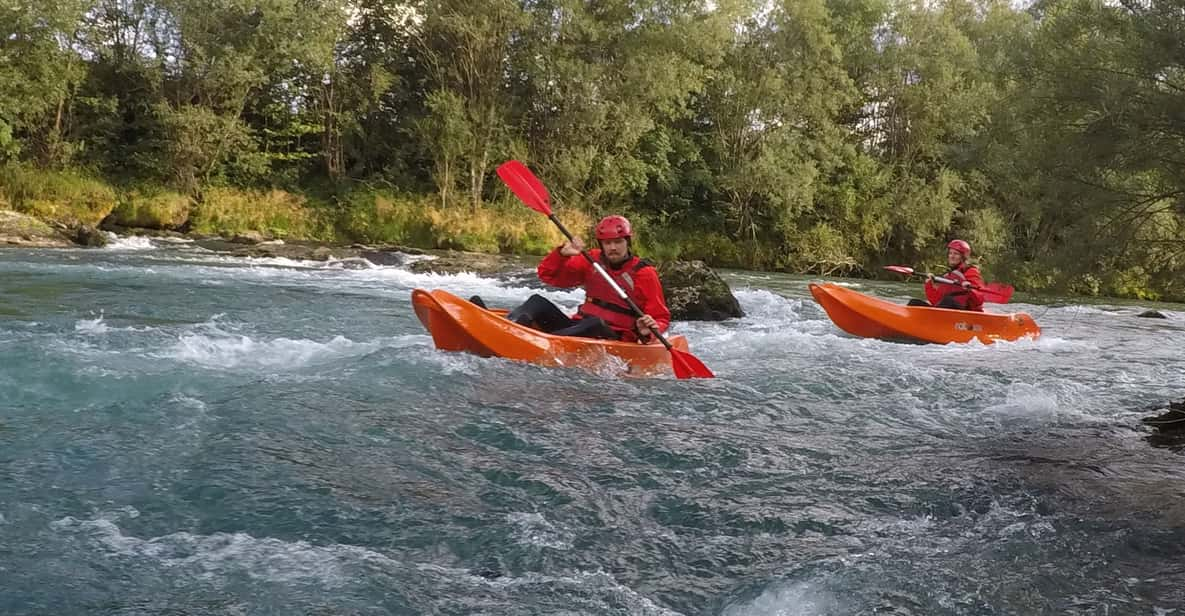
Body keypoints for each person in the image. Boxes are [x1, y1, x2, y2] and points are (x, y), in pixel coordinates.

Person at [473, 215, 671, 342]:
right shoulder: (591, 260)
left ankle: (538, 341)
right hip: (576, 328)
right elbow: (548, 276)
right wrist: (562, 255)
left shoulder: (644, 274)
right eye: (607, 243)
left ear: (628, 242)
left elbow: (661, 317)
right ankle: (505, 328)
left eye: (618, 242)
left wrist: (649, 330)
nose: (613, 248)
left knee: (595, 322)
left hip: (613, 336)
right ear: (601, 245)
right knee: (536, 302)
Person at [908, 239, 985, 311]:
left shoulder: (971, 271)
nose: (952, 256)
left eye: (956, 254)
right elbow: (936, 302)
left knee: (948, 301)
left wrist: (970, 289)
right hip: (949, 311)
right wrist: (929, 284)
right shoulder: (948, 275)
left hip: (967, 314)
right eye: (950, 253)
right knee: (914, 303)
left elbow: (979, 299)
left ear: (963, 257)